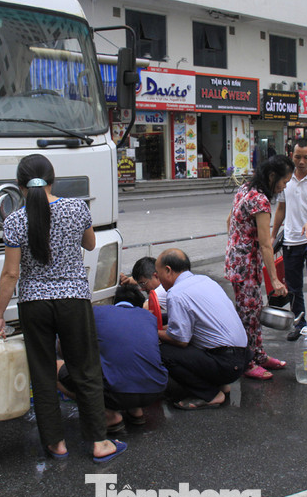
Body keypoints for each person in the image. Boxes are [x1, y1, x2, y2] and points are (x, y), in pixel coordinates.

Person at [0, 154, 126, 463]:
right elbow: (90, 245)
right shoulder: (77, 208)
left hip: (33, 303)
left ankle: (56, 444)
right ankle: (99, 443)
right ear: (54, 180)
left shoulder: (14, 220)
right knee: (85, 369)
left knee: (42, 372)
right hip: (73, 300)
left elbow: (11, 273)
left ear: (20, 186)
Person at [57, 284, 167, 434]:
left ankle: (108, 414)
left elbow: (66, 348)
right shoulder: (148, 317)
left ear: (115, 301)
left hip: (117, 393)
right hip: (155, 390)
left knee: (54, 368)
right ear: (140, 305)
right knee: (128, 364)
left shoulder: (97, 312)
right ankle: (135, 411)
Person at [225, 155, 294, 380]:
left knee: (253, 310)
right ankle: (246, 362)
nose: (284, 187)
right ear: (272, 176)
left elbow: (229, 222)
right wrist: (274, 280)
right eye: (284, 182)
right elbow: (266, 243)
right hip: (245, 264)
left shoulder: (245, 188)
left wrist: (237, 244)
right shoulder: (260, 200)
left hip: (238, 259)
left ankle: (259, 355)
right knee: (248, 314)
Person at [155, 249, 251, 409]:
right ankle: (220, 384)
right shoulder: (205, 280)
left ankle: (210, 395)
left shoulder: (176, 294)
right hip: (244, 355)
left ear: (168, 270)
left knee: (163, 352)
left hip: (227, 363)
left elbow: (180, 340)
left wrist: (155, 333)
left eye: (158, 275)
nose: (159, 281)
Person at [271, 138, 307, 344]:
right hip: (291, 240)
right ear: (291, 155)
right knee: (294, 286)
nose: (302, 161)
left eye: (306, 157)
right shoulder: (286, 180)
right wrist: (272, 235)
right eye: (298, 157)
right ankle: (299, 323)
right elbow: (281, 209)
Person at [120, 256, 166, 328]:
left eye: (142, 284)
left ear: (156, 276)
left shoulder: (160, 291)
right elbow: (143, 280)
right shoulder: (168, 276)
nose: (142, 289)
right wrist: (128, 280)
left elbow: (142, 311)